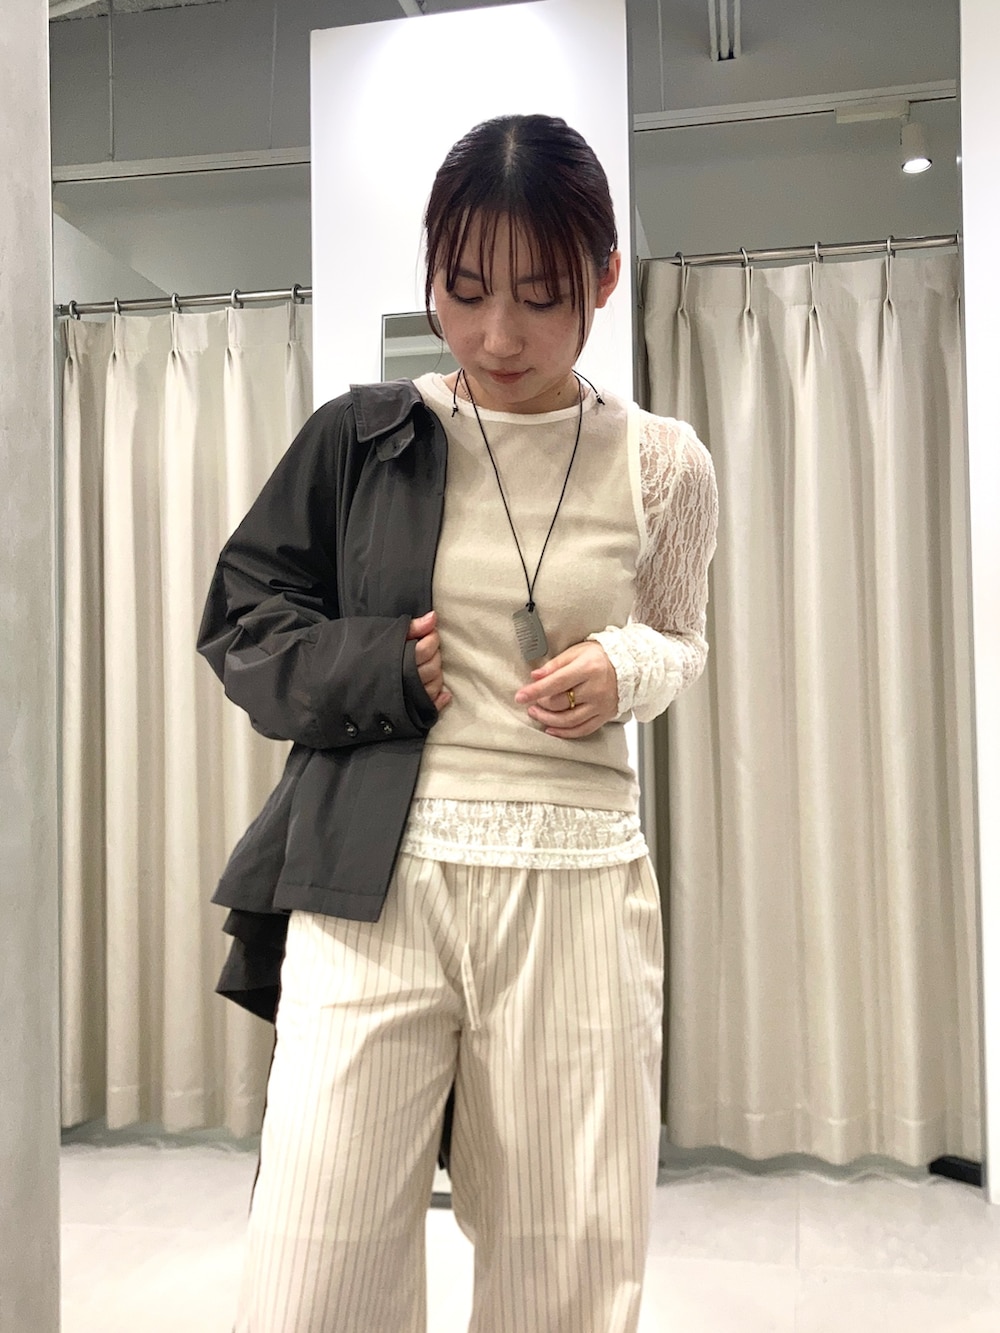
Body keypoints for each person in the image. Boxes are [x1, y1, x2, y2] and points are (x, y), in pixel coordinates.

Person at [198, 113, 718, 1333]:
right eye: (466, 289)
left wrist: (624, 666)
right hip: (371, 884)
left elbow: (683, 637)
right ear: (431, 272)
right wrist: (375, 662)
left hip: (577, 888)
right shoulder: (368, 439)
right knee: (311, 1273)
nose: (496, 335)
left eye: (540, 296)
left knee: (561, 1274)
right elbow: (243, 619)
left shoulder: (661, 463)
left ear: (603, 278)